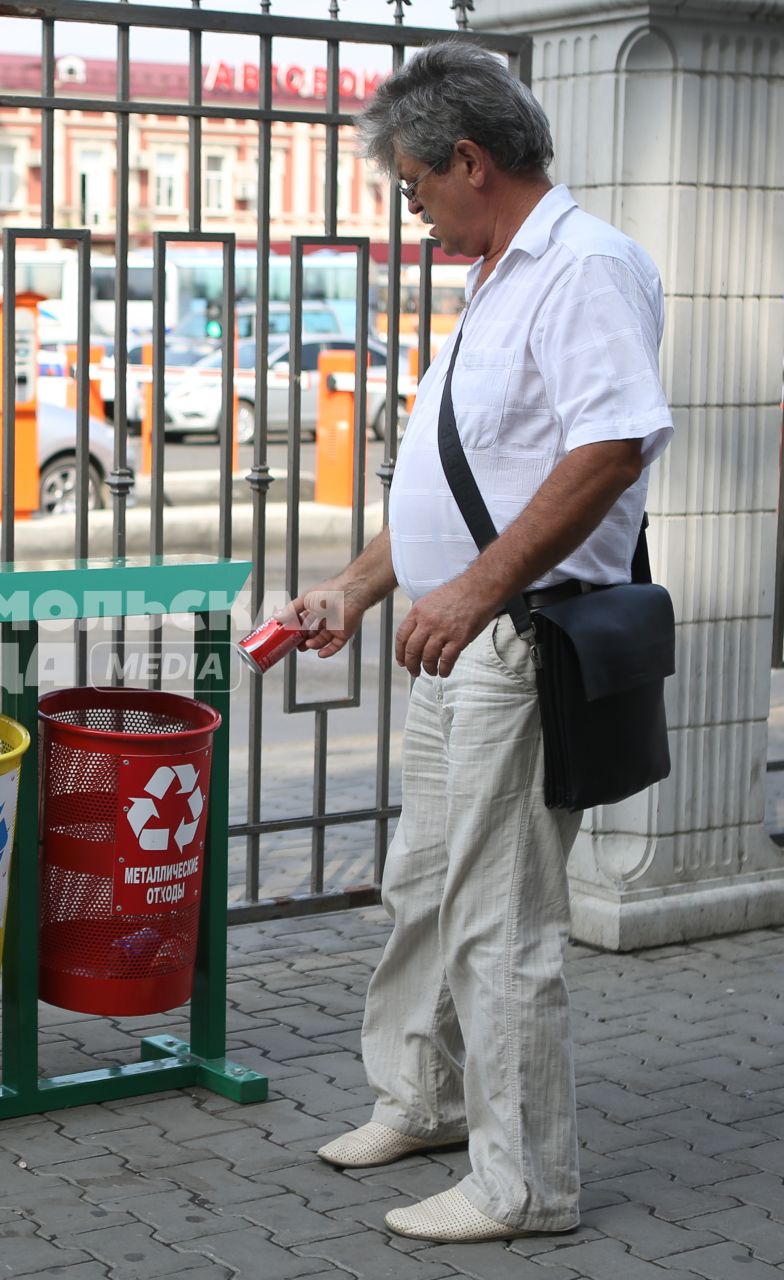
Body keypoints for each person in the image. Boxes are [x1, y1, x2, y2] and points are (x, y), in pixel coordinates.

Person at [291, 41, 674, 1244]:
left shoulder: (584, 270)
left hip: (514, 637)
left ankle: (525, 1181)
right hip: (461, 639)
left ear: (468, 159)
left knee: (500, 916)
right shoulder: (499, 278)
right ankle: (425, 1095)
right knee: (422, 885)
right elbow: (466, 476)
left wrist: (471, 592)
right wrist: (356, 585)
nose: (411, 215)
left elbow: (612, 445)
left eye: (412, 187)